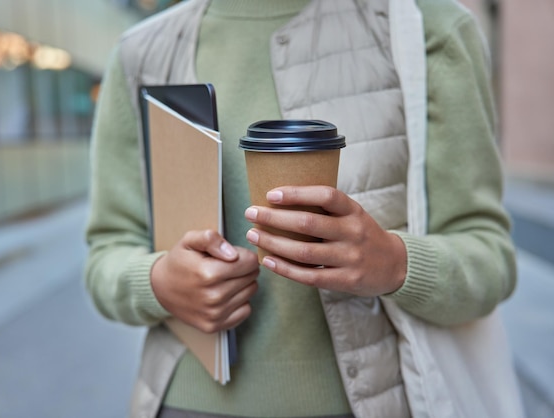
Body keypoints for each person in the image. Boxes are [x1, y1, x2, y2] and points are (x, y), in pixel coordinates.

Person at [84, 0, 519, 417]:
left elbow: (490, 259)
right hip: (186, 404)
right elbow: (107, 252)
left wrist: (395, 263)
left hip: (374, 403)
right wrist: (158, 282)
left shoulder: (429, 29)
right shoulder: (142, 52)